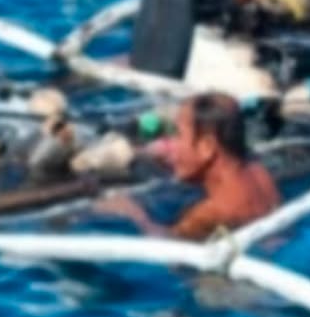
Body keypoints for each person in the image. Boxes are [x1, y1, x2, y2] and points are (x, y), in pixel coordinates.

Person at [97, 93, 279, 241]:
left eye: (177, 134)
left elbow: (167, 246)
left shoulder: (209, 212)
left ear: (206, 147)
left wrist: (134, 214)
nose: (170, 144)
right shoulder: (260, 173)